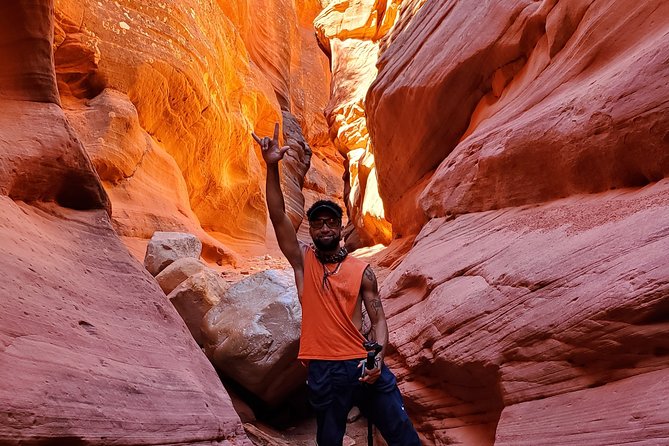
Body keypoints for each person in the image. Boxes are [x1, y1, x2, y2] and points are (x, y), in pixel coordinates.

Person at [252, 123, 421, 446]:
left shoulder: (363, 271)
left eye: (331, 221)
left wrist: (379, 357)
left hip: (362, 362)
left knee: (402, 433)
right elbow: (277, 216)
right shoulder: (304, 262)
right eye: (318, 223)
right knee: (329, 440)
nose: (325, 227)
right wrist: (271, 167)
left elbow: (379, 320)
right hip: (324, 368)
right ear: (312, 231)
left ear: (342, 228)